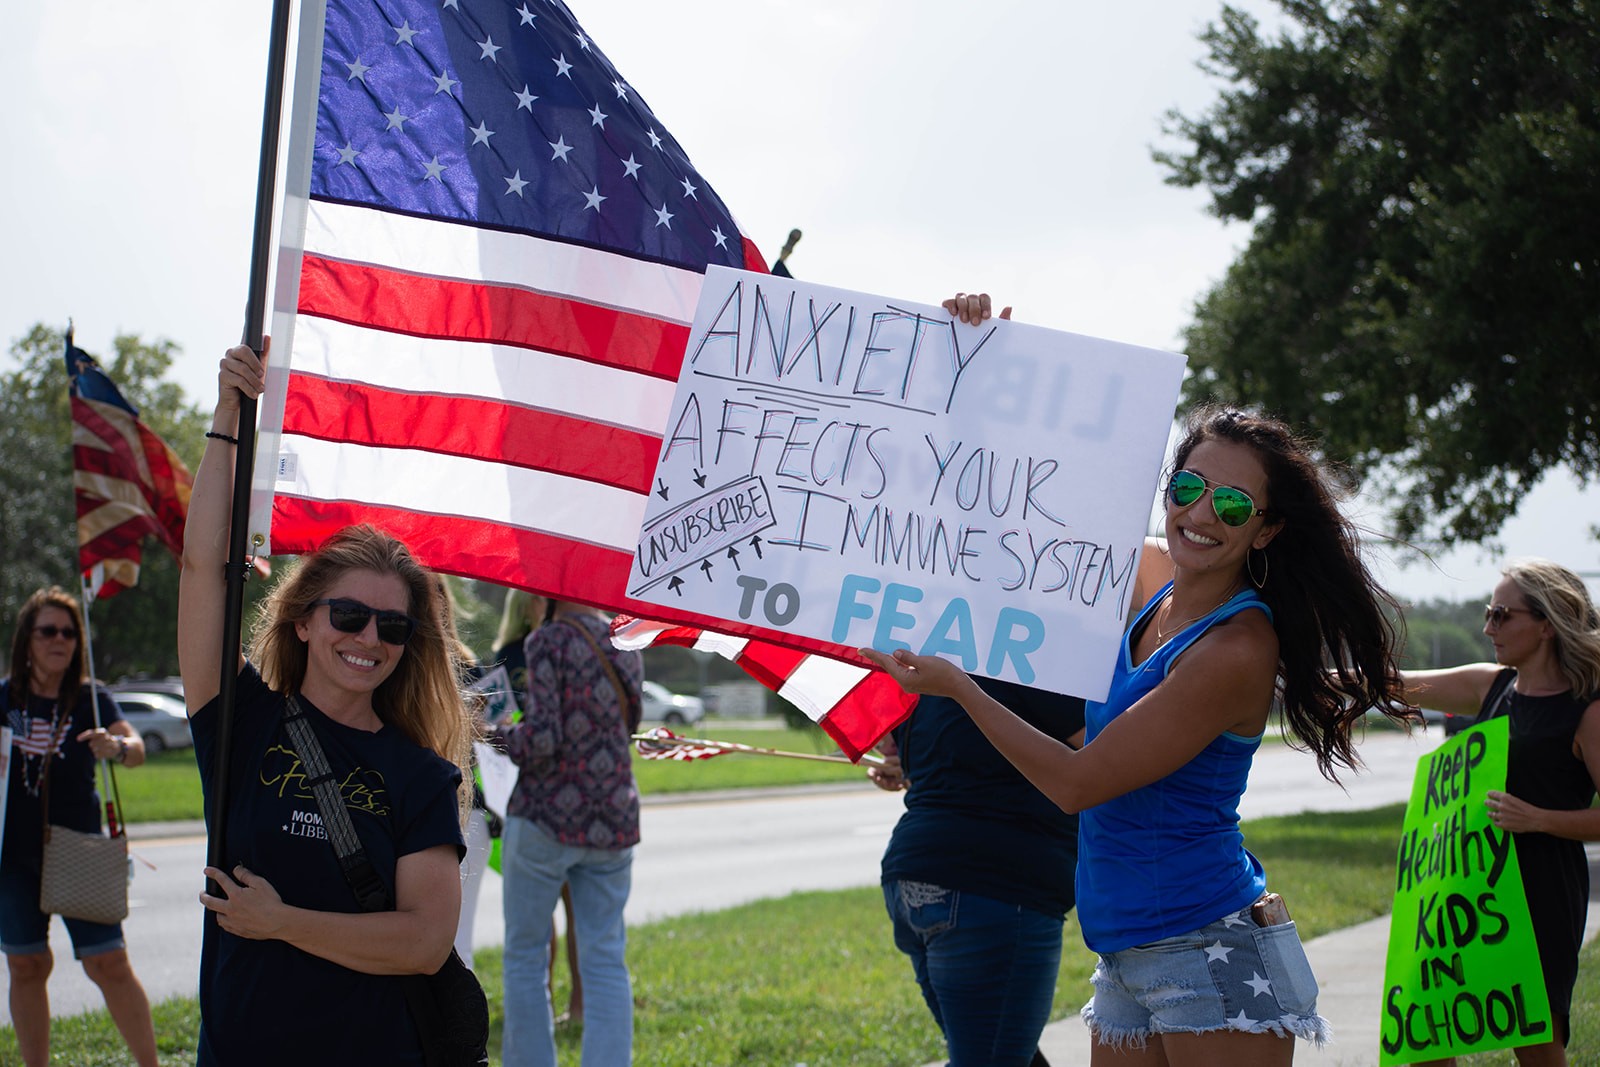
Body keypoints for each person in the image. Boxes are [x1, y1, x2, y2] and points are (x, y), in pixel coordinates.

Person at [865, 294, 1412, 1066]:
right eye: (1187, 488)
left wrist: (960, 687)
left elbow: (1080, 782)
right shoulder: (1153, 582)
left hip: (1208, 944)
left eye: (1231, 502)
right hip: (1126, 949)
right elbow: (1020, 501)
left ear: (1267, 527)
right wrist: (987, 362)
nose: (1201, 513)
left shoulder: (1236, 647)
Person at [178, 342, 474, 1065]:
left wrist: (280, 921)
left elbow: (424, 941)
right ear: (304, 620)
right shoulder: (241, 723)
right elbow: (201, 569)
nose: (369, 637)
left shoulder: (421, 776)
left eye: (393, 626)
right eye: (348, 615)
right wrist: (226, 420)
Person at [1392, 558, 1600, 1066]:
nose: (1488, 627)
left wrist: (1539, 818)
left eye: (1502, 615)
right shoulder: (1492, 686)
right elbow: (1395, 682)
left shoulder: (1586, 710)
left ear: (1548, 624)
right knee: (1427, 1034)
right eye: (1488, 612)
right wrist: (1305, 671)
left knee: (1536, 1044)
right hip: (1464, 896)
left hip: (1541, 894)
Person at [869, 677, 1085, 1067]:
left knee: (996, 1049)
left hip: (913, 876)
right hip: (994, 886)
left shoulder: (928, 671)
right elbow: (1105, 753)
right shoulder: (1033, 668)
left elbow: (939, 765)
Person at [1, 587, 158, 1067]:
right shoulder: (5, 698)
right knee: (26, 966)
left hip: (80, 850)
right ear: (27, 637)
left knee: (107, 963)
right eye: (48, 630)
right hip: (12, 857)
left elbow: (136, 749)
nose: (60, 640)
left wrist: (115, 745)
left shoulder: (93, 697)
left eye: (69, 633)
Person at [496, 598, 642, 1067]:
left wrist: (498, 733)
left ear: (545, 594)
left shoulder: (547, 640)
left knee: (526, 956)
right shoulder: (627, 642)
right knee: (605, 959)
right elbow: (629, 726)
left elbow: (542, 740)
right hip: (614, 817)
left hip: (547, 817)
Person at [489, 588, 585, 1022]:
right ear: (524, 605)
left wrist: (507, 733)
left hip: (542, 790)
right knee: (544, 913)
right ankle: (551, 1004)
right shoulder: (511, 656)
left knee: (561, 909)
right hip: (529, 789)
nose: (544, 604)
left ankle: (563, 1005)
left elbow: (501, 728)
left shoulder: (552, 648)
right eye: (537, 598)